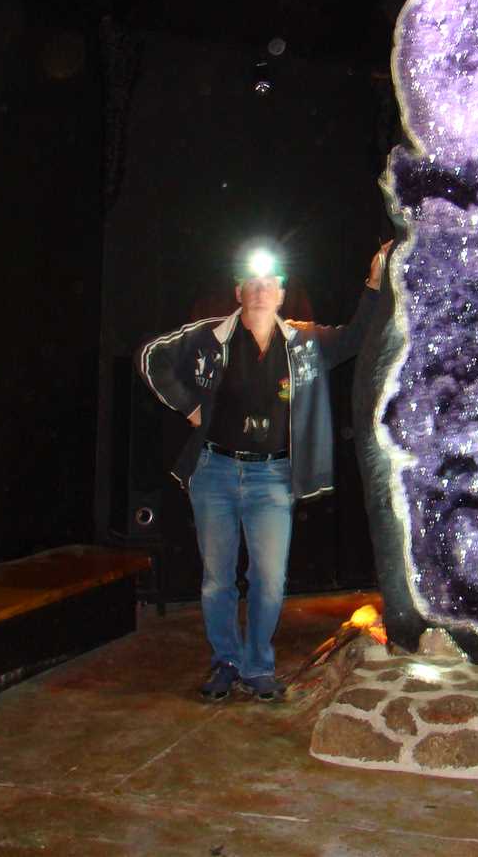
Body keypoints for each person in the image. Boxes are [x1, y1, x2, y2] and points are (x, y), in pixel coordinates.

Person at [138, 242, 387, 702]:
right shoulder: (209, 337)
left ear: (281, 293)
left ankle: (257, 666)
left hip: (272, 479)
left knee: (269, 581)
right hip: (214, 473)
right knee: (218, 579)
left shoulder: (305, 342)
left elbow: (357, 338)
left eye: (268, 283)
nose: (259, 290)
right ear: (239, 291)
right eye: (251, 283)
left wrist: (373, 284)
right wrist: (187, 405)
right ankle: (225, 662)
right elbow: (153, 356)